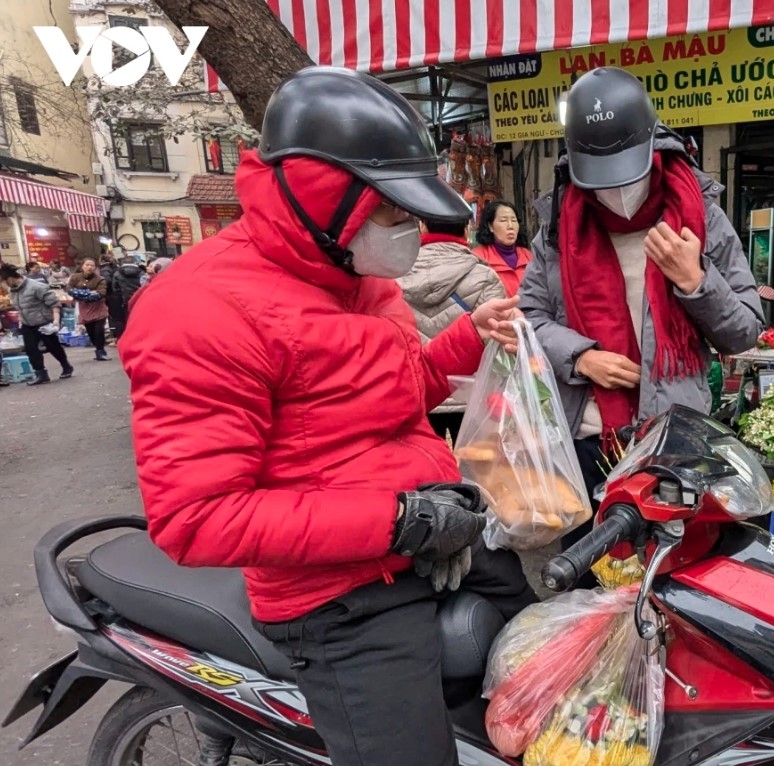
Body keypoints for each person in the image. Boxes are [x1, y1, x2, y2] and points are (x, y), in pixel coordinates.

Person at [119, 66, 535, 766]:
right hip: (338, 595)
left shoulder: (356, 275)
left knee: (555, 671)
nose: (407, 233)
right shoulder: (198, 309)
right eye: (395, 213)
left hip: (435, 538)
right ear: (325, 197)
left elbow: (396, 394)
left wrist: (468, 335)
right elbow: (195, 518)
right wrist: (399, 520)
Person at [520, 68, 764, 528]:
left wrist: (695, 281)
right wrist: (580, 358)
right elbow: (529, 316)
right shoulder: (557, 228)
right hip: (585, 441)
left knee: (667, 582)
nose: (615, 192)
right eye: (599, 179)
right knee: (585, 587)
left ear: (654, 147)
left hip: (674, 443)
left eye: (624, 174)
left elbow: (745, 330)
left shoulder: (700, 216)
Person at [399, 216, 507, 440]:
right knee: (474, 467)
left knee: (428, 469)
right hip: (471, 393)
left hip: (417, 390)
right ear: (467, 229)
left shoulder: (395, 273)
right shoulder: (484, 277)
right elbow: (498, 343)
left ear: (422, 226)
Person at [1, 262, 73, 384]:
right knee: (31, 349)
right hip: (27, 324)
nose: (3, 285)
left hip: (43, 322)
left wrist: (55, 321)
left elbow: (54, 304)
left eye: (3, 281)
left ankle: (66, 366)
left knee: (53, 347)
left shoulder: (37, 287)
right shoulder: (13, 290)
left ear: (10, 278)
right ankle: (41, 373)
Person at [473, 199, 533, 296]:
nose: (510, 226)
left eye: (514, 220)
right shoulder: (478, 258)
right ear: (490, 226)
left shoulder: (528, 256)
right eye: (503, 220)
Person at [67, 258, 110, 361]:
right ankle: (99, 349)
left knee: (98, 331)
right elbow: (69, 290)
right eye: (87, 265)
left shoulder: (100, 279)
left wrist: (80, 293)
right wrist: (89, 293)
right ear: (83, 266)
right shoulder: (75, 277)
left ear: (95, 268)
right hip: (84, 309)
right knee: (90, 332)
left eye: (92, 265)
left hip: (98, 308)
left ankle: (100, 351)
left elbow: (101, 293)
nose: (89, 267)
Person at [110, 257, 145, 335]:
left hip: (123, 300)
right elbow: (144, 285)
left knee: (125, 319)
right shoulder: (141, 272)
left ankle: (128, 334)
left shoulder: (117, 273)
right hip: (139, 299)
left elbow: (115, 288)